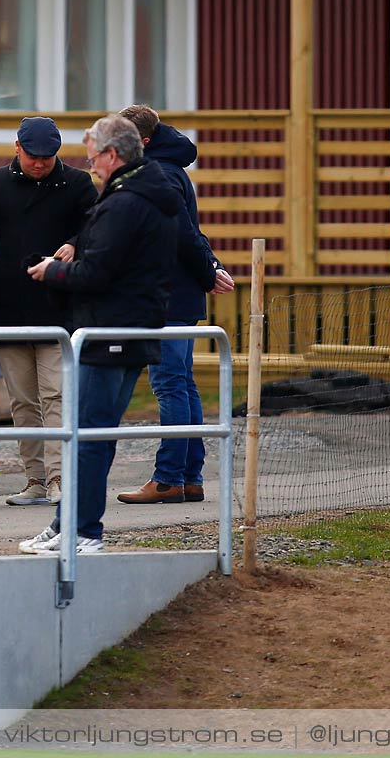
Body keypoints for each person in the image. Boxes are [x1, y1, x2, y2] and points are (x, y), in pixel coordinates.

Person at [18, 115, 180, 556]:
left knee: (88, 434)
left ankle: (83, 529)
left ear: (112, 155)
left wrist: (53, 271)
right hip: (133, 327)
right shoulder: (152, 193)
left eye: (93, 160)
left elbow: (98, 271)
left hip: (111, 331)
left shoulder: (127, 202)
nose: (91, 168)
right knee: (93, 434)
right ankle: (65, 522)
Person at [0, 116, 95, 506]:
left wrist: (75, 244)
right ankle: (35, 480)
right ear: (18, 147)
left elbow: (96, 227)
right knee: (22, 400)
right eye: (34, 156)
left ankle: (59, 478)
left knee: (55, 395)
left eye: (49, 156)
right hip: (10, 305)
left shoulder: (76, 184)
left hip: (58, 305)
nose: (40, 163)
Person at [115, 105, 235, 506]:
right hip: (179, 294)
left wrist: (207, 270)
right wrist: (210, 267)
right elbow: (193, 233)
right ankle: (189, 476)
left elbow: (182, 234)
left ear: (143, 142)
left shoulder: (159, 174)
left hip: (166, 294)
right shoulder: (171, 169)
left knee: (169, 384)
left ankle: (168, 478)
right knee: (182, 383)